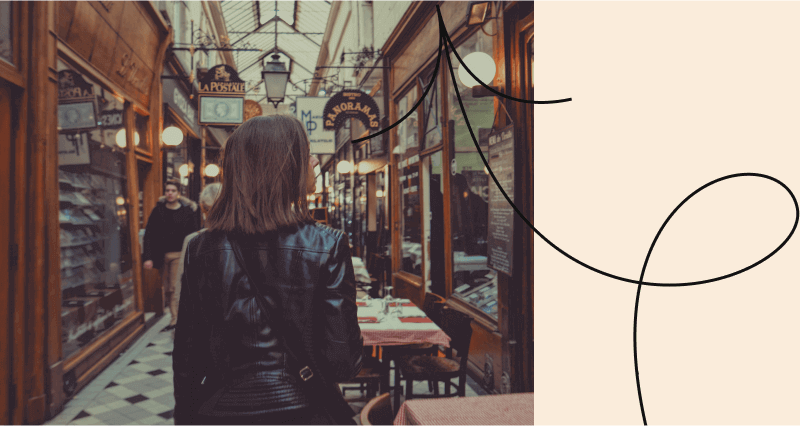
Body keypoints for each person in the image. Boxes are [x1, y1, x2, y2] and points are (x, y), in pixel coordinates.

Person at [173, 115, 363, 426]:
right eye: (306, 154)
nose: (314, 161)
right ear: (283, 168)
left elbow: (188, 360)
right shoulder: (328, 245)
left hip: (221, 412)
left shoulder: (200, 248)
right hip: (303, 413)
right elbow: (342, 364)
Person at [142, 180, 201, 332]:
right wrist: (147, 257)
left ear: (178, 193)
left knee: (175, 287)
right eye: (167, 190)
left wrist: (194, 255)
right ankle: (176, 317)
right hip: (161, 256)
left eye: (173, 190)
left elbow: (195, 235)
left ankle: (176, 320)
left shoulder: (187, 212)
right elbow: (149, 235)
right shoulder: (158, 211)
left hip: (179, 255)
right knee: (167, 288)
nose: (170, 193)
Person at [170, 182, 222, 339]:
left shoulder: (193, 241)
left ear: (203, 207)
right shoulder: (243, 239)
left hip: (201, 319)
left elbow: (181, 286)